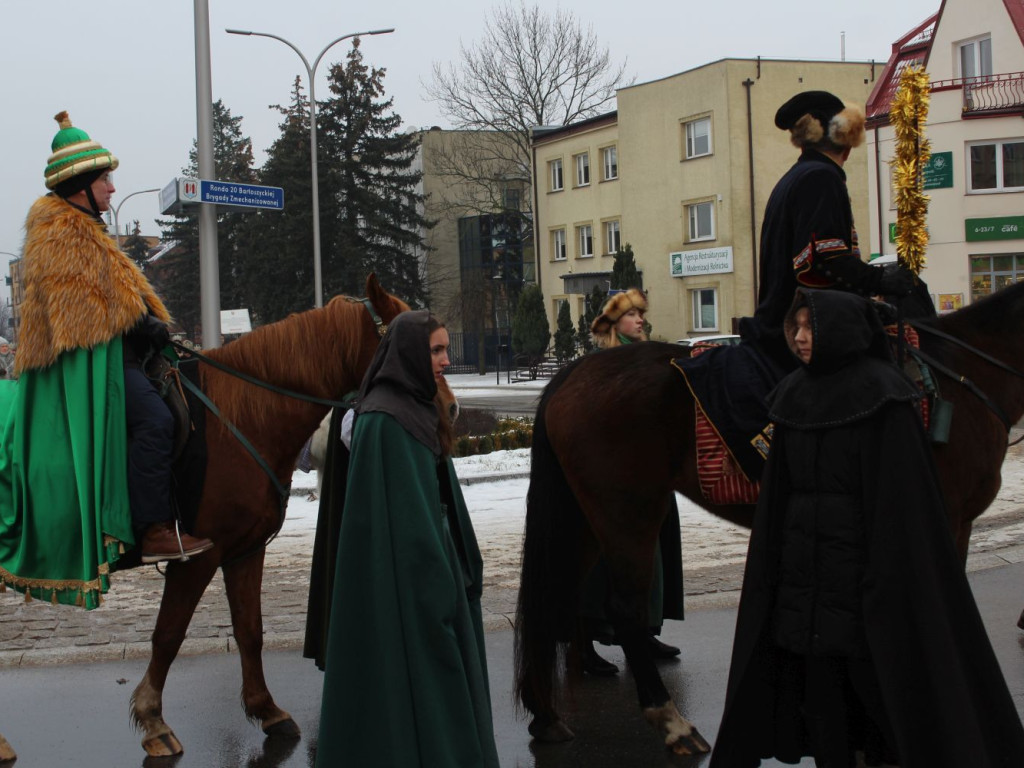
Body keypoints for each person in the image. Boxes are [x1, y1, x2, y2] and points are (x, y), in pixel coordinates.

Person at [710, 288, 1024, 767]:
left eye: (809, 327)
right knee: (823, 711)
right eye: (795, 328)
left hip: (864, 594)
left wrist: (883, 585)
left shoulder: (885, 397)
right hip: (806, 594)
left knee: (880, 711)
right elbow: (777, 506)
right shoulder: (792, 395)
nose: (799, 337)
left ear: (841, 329)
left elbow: (905, 514)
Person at [0, 112, 212, 607]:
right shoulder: (59, 232)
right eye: (105, 180)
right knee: (157, 421)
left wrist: (148, 326)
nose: (113, 189)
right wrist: (141, 322)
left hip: (120, 352)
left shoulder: (86, 227)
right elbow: (79, 309)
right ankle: (154, 528)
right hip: (92, 363)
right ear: (80, 185)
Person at [315, 311, 499, 768]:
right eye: (436, 350)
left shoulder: (416, 404)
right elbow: (399, 519)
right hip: (408, 578)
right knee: (419, 679)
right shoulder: (384, 418)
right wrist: (436, 583)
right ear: (410, 352)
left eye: (444, 349)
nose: (445, 359)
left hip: (435, 561)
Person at [578, 287, 685, 675]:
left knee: (652, 560)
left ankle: (643, 633)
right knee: (600, 567)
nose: (640, 320)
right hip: (608, 484)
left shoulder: (646, 358)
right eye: (631, 315)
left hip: (649, 476)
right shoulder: (601, 365)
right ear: (613, 323)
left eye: (641, 314)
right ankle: (583, 643)